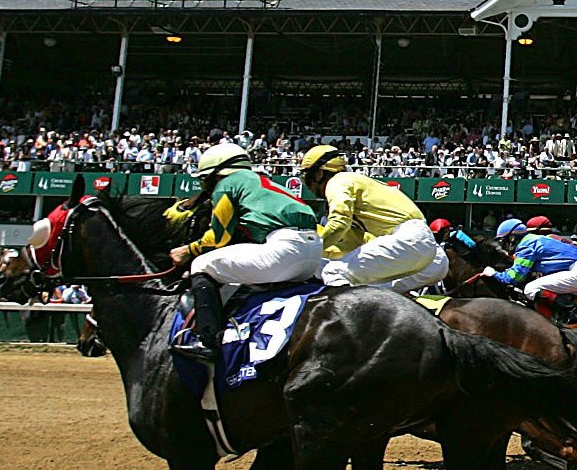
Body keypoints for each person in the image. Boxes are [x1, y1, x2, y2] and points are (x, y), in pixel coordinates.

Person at [169, 142, 324, 363]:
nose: (204, 183)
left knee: (201, 265)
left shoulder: (226, 185)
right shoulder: (260, 180)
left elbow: (218, 238)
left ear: (216, 174)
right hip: (313, 253)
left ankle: (206, 341)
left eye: (204, 178)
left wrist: (188, 250)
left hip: (284, 249)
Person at [298, 144, 447, 295]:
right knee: (373, 288)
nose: (307, 186)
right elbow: (350, 245)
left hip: (409, 239)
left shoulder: (338, 181)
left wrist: (309, 251)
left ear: (319, 174)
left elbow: (339, 222)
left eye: (307, 177)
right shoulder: (355, 188)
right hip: (430, 257)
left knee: (333, 272)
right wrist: (323, 255)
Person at [492, 217, 577, 324]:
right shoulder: (538, 239)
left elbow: (514, 277)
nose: (502, 245)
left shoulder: (526, 245)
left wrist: (493, 274)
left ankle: (572, 311)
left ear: (512, 238)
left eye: (502, 241)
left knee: (530, 288)